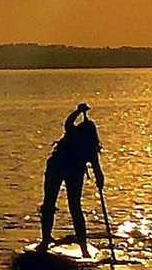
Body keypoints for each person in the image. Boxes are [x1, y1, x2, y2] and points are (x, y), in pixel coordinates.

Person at [37, 103, 105, 257]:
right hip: (57, 167)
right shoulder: (74, 133)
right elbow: (68, 123)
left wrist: (100, 181)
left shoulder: (89, 146)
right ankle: (46, 240)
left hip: (73, 171)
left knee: (74, 206)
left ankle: (83, 248)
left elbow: (97, 169)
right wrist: (78, 112)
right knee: (49, 204)